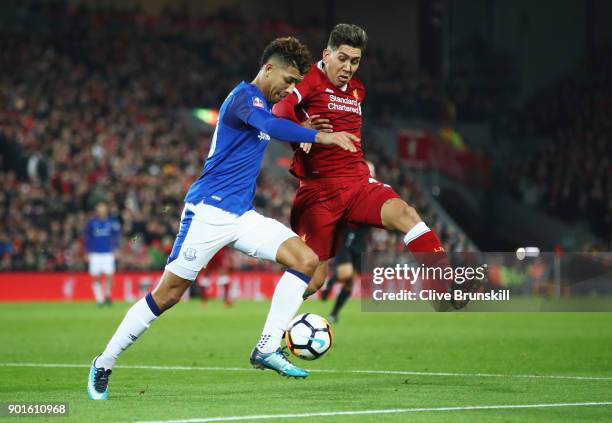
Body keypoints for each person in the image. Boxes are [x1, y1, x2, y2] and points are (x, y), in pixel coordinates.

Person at [87, 36, 359, 400]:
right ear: (268, 69)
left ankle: (265, 348)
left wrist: (306, 120)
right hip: (207, 212)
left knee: (306, 260)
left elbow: (283, 117)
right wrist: (319, 136)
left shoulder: (268, 102)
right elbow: (271, 123)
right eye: (289, 80)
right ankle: (103, 362)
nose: (290, 88)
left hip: (242, 216)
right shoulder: (245, 97)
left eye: (297, 83)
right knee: (167, 295)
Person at [273, 24, 479, 306]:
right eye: (342, 58)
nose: (348, 67)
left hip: (357, 184)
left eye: (355, 61)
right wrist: (303, 131)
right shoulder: (309, 79)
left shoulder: (358, 90)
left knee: (407, 214)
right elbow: (279, 110)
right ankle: (275, 327)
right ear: (327, 54)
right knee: (314, 278)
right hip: (320, 193)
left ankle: (443, 289)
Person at [320, 162, 375, 322]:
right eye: (367, 170)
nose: (369, 173)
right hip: (347, 236)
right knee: (346, 273)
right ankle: (330, 283)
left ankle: (334, 313)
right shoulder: (353, 188)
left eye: (372, 171)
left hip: (361, 242)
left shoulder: (375, 192)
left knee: (350, 283)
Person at [85, 201, 120, 306]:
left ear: (106, 209)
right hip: (95, 253)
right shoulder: (92, 223)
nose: (102, 210)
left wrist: (117, 249)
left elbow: (117, 237)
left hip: (108, 253)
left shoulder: (112, 222)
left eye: (103, 207)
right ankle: (99, 299)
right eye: (100, 208)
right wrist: (87, 252)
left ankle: (108, 296)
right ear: (97, 210)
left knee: (109, 276)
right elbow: (88, 238)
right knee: (96, 277)